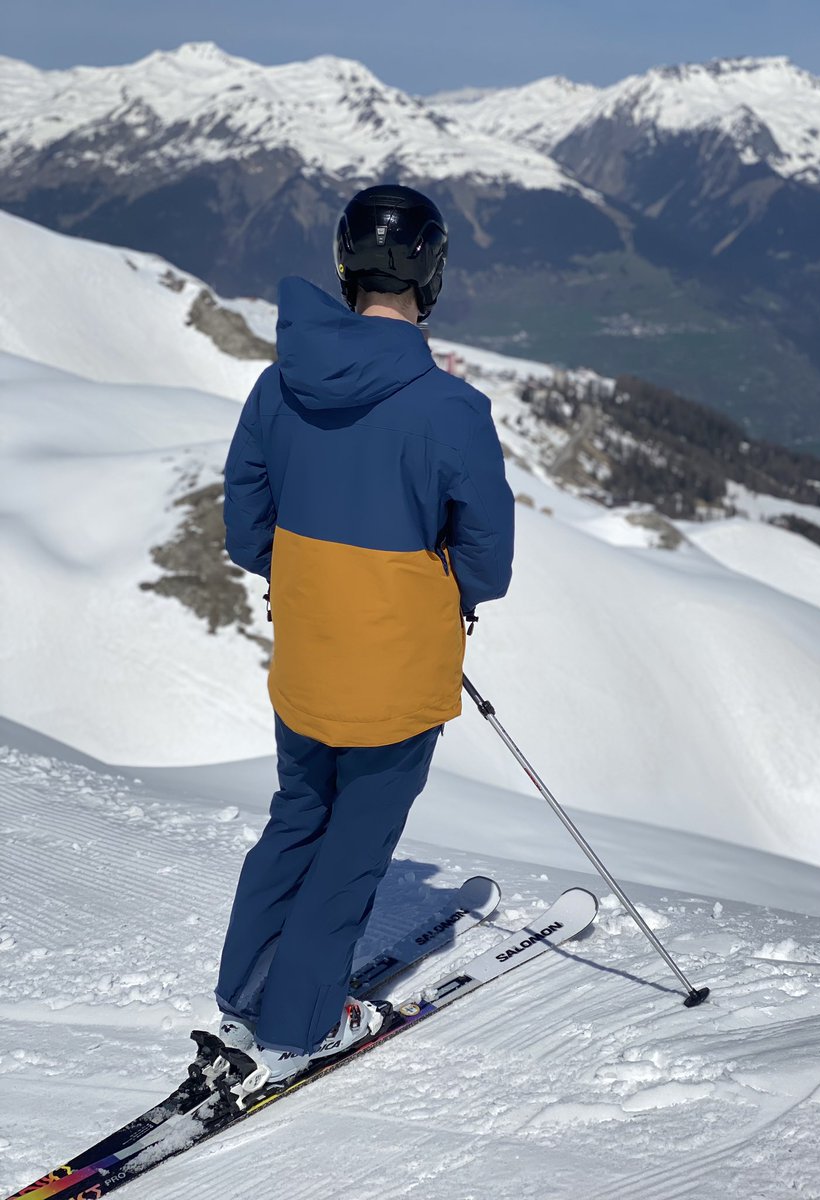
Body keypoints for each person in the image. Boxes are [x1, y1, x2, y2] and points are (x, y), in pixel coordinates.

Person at [213, 184, 515, 1094]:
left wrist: (320, 579)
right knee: (354, 846)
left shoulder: (279, 385)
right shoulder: (451, 409)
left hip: (308, 653)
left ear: (345, 267)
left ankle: (242, 994)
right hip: (398, 671)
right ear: (430, 273)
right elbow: (488, 563)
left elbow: (245, 531)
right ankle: (300, 1027)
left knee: (298, 815)